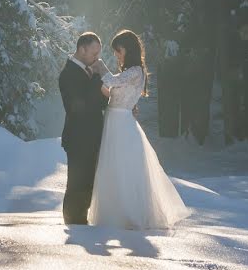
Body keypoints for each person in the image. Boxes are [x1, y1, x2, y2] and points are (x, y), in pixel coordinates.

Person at [88, 29, 191, 230]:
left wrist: (100, 67)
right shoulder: (130, 72)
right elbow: (111, 90)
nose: (117, 54)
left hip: (122, 123)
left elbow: (111, 82)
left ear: (129, 49)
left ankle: (130, 214)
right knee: (113, 166)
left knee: (124, 167)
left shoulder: (135, 71)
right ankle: (115, 212)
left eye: (119, 50)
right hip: (115, 120)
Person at [58, 32, 107, 225]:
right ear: (82, 49)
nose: (97, 58)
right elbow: (80, 105)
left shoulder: (87, 71)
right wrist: (97, 78)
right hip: (78, 138)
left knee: (88, 183)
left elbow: (99, 103)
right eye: (94, 53)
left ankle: (80, 221)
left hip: (92, 137)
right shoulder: (68, 74)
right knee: (77, 183)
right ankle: (73, 223)